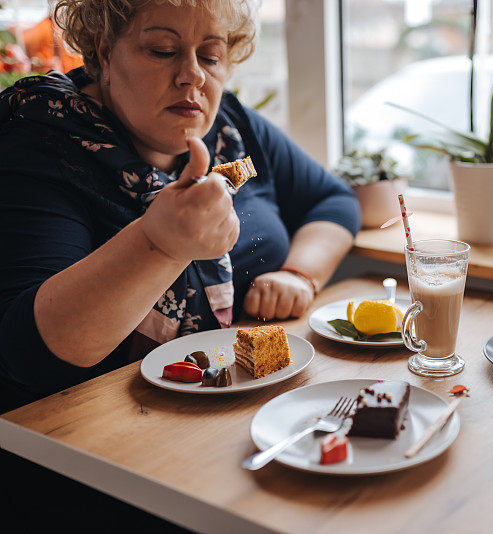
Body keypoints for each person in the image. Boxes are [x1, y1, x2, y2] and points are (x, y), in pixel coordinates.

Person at [0, 0, 360, 412]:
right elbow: (28, 356)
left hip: (246, 406)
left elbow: (333, 201)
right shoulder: (39, 144)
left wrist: (300, 275)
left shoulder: (231, 126)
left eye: (211, 56)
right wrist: (159, 245)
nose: (193, 75)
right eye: (162, 50)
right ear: (104, 49)